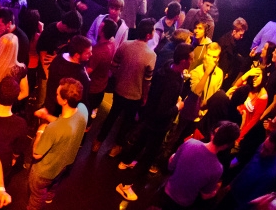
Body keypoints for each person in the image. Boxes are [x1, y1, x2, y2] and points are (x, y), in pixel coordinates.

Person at [116, 43, 194, 202]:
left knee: (140, 142)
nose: (192, 60)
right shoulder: (172, 82)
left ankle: (125, 162)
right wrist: (177, 106)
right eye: (191, 58)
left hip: (149, 117)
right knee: (149, 155)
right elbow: (162, 111)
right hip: (158, 125)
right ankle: (125, 185)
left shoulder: (168, 66)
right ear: (183, 61)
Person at [93, 19, 155, 155]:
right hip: (135, 95)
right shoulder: (151, 55)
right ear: (148, 35)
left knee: (112, 116)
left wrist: (119, 78)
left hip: (119, 89)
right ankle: (116, 147)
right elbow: (147, 81)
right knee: (127, 121)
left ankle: (98, 141)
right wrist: (145, 97)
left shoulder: (125, 45)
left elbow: (114, 65)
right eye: (153, 30)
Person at [28, 78, 88, 210]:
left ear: (64, 101)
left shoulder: (53, 129)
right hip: (64, 164)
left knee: (37, 195)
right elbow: (66, 124)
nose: (55, 95)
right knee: (54, 182)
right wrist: (47, 116)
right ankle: (49, 196)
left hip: (44, 171)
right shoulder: (83, 110)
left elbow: (37, 154)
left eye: (57, 94)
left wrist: (40, 131)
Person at [163, 122, 240, 209]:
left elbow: (171, 166)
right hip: (183, 203)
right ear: (226, 146)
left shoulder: (190, 142)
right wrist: (216, 190)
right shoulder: (217, 169)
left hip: (167, 190)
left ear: (213, 134)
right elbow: (205, 195)